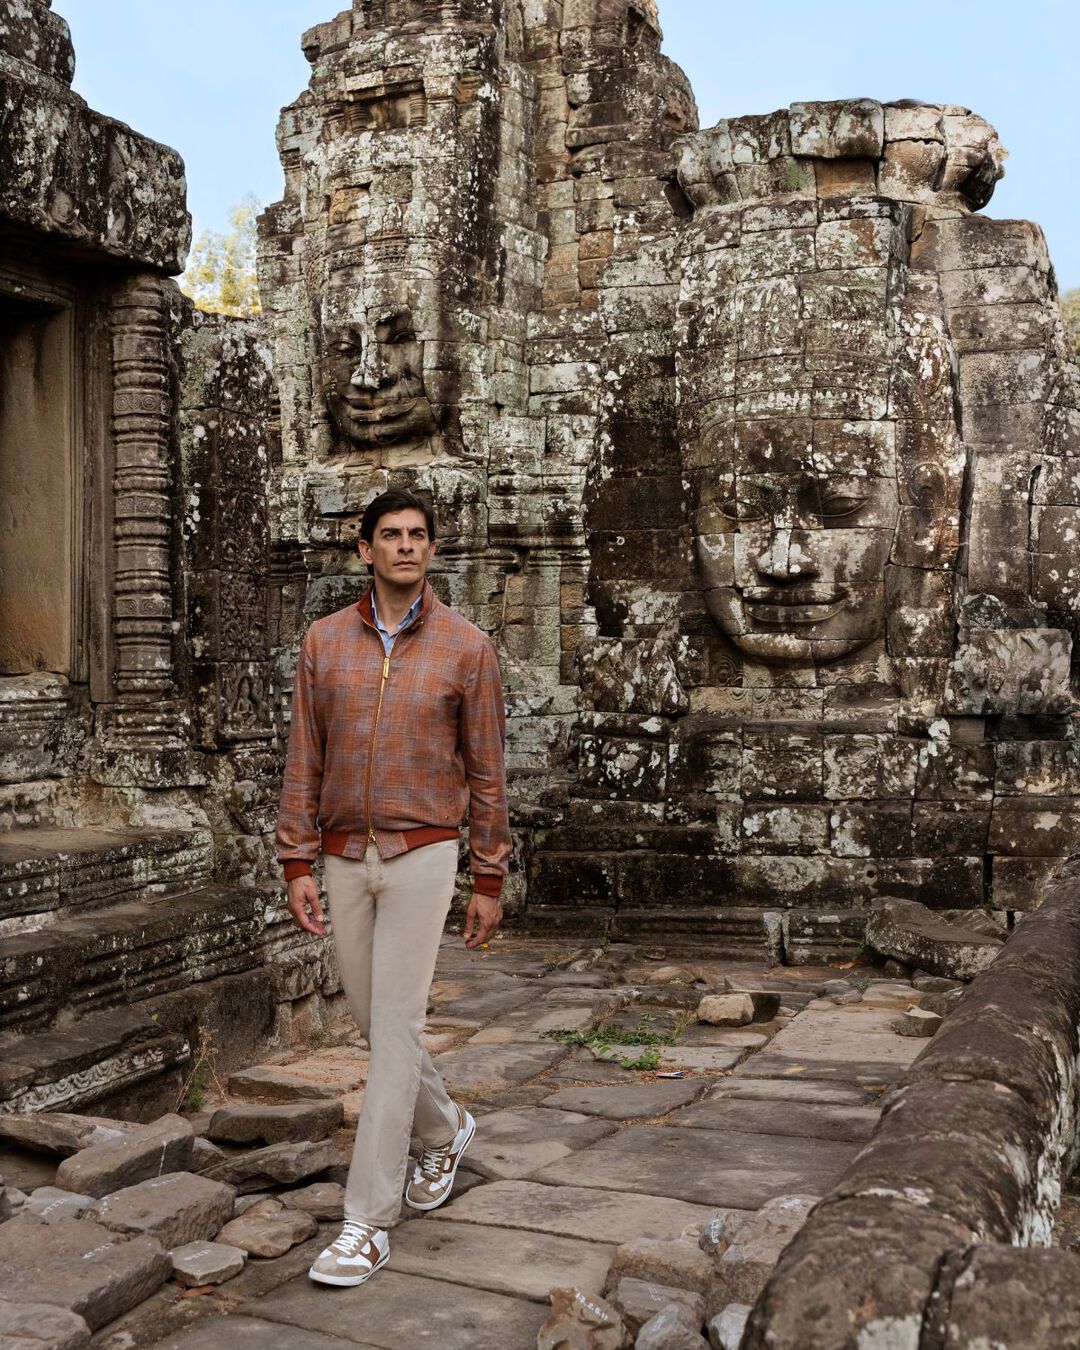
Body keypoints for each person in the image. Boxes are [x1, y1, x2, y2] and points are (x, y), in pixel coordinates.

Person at [275, 487, 511, 1288]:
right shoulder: (323, 643)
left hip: (424, 854)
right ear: (365, 550)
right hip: (342, 857)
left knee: (395, 1027)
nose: (405, 546)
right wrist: (296, 861)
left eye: (417, 535)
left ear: (431, 550)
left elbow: (487, 771)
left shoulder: (466, 648)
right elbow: (304, 759)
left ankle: (366, 1222)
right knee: (384, 1033)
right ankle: (445, 1130)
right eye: (390, 535)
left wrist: (489, 874)